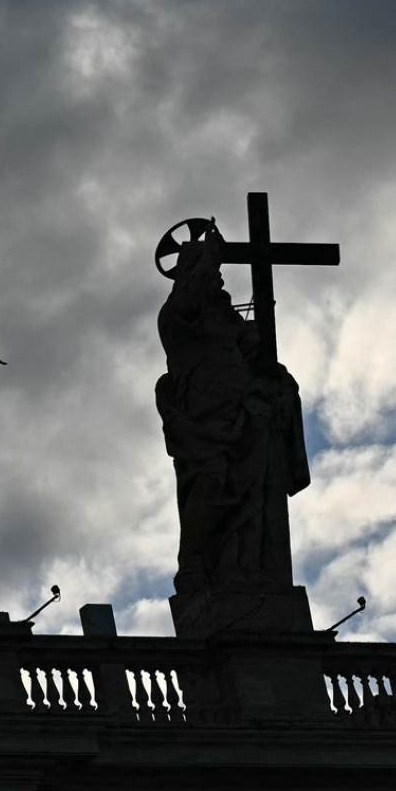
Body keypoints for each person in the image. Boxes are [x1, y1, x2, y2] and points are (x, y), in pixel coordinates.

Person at [155, 232, 308, 632]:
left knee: (252, 491)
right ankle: (194, 565)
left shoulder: (225, 322)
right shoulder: (177, 316)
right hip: (203, 420)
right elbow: (190, 300)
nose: (218, 284)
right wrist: (210, 258)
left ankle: (241, 566)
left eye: (219, 279)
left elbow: (253, 349)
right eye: (208, 276)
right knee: (211, 480)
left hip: (241, 417)